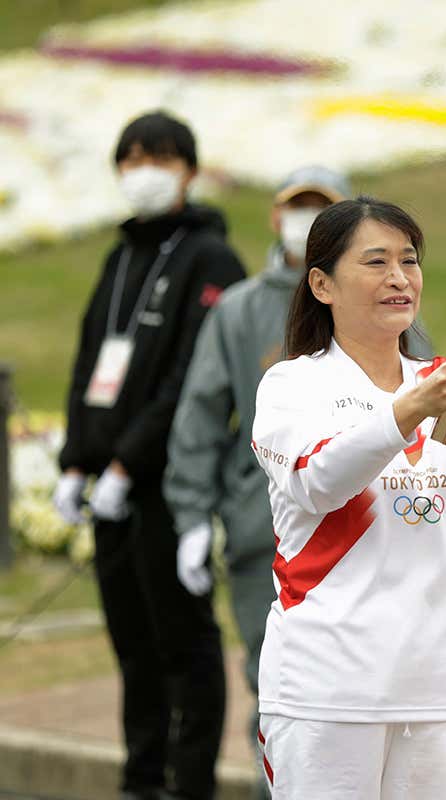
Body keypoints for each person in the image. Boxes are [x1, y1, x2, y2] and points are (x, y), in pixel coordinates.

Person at [251, 196, 446, 799]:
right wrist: (409, 411)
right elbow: (317, 479)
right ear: (322, 284)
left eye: (409, 260)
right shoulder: (293, 385)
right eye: (376, 262)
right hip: (326, 688)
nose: (399, 277)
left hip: (432, 688)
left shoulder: (440, 378)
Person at [51, 110, 243, 800]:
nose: (144, 172)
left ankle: (187, 785)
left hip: (167, 484)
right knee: (132, 643)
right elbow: (89, 363)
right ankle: (141, 779)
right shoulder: (122, 254)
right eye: (131, 159)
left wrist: (130, 462)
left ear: (189, 170)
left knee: (182, 643)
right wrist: (78, 461)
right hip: (108, 484)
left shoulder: (210, 258)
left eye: (158, 158)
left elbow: (192, 375)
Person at [163, 165, 350, 800]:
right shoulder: (241, 310)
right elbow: (200, 415)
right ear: (275, 218)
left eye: (322, 212)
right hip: (262, 535)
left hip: (358, 534)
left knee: (350, 695)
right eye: (296, 209)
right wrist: (192, 518)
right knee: (279, 690)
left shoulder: (375, 301)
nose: (305, 224)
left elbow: (424, 408)